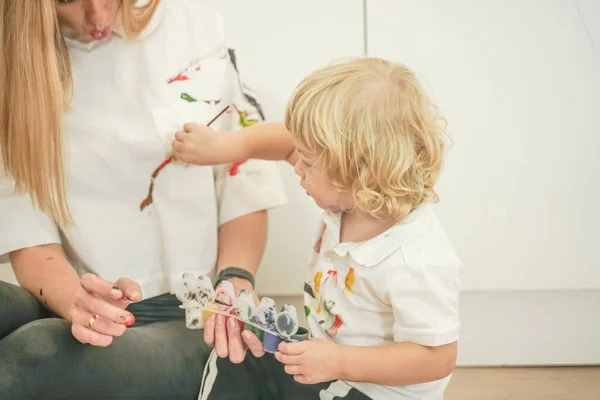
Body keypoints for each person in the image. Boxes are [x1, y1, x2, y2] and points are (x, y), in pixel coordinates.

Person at [0, 0, 286, 398]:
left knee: (29, 356)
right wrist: (78, 303)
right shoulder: (15, 60)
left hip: (187, 312)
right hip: (79, 301)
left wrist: (236, 279)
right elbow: (25, 229)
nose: (97, 16)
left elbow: (245, 180)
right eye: (67, 0)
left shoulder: (197, 31)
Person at [173, 57, 464, 400]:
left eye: (307, 162)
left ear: (360, 175)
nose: (297, 165)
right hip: (327, 364)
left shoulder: (417, 261)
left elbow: (437, 358)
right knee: (239, 359)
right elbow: (287, 140)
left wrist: (340, 361)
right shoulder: (351, 193)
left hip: (374, 392)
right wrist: (226, 147)